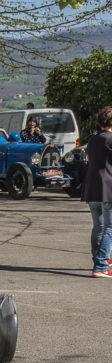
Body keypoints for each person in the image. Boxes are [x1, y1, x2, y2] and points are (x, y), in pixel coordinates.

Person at [82, 106, 112, 277]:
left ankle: (99, 260)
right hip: (109, 188)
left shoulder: (93, 139)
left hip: (93, 187)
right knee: (109, 228)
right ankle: (101, 265)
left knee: (98, 227)